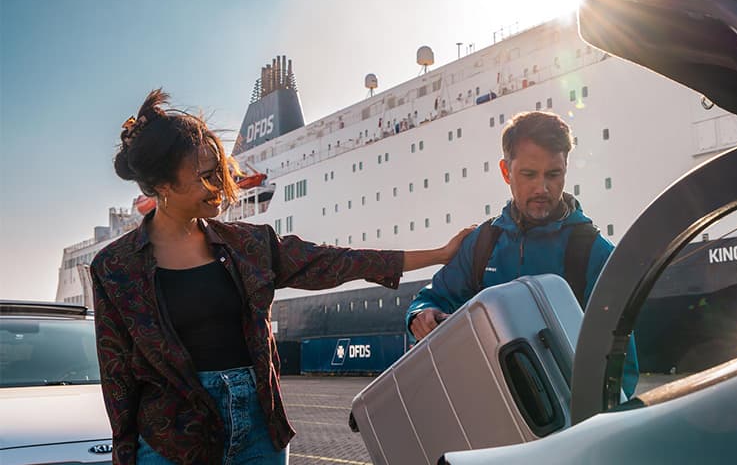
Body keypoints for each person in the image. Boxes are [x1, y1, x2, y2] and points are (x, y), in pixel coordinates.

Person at [90, 89, 471, 465]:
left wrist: (439, 254)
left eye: (220, 170)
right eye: (206, 177)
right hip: (172, 443)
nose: (222, 186)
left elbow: (337, 262)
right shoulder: (115, 268)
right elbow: (118, 379)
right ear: (162, 187)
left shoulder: (249, 245)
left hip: (258, 429)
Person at [405, 110, 638, 397]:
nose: (542, 188)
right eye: (529, 174)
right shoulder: (481, 244)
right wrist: (421, 315)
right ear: (506, 172)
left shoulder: (595, 253)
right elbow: (432, 299)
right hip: (486, 409)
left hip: (563, 421)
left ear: (566, 169)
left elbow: (620, 364)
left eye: (554, 174)